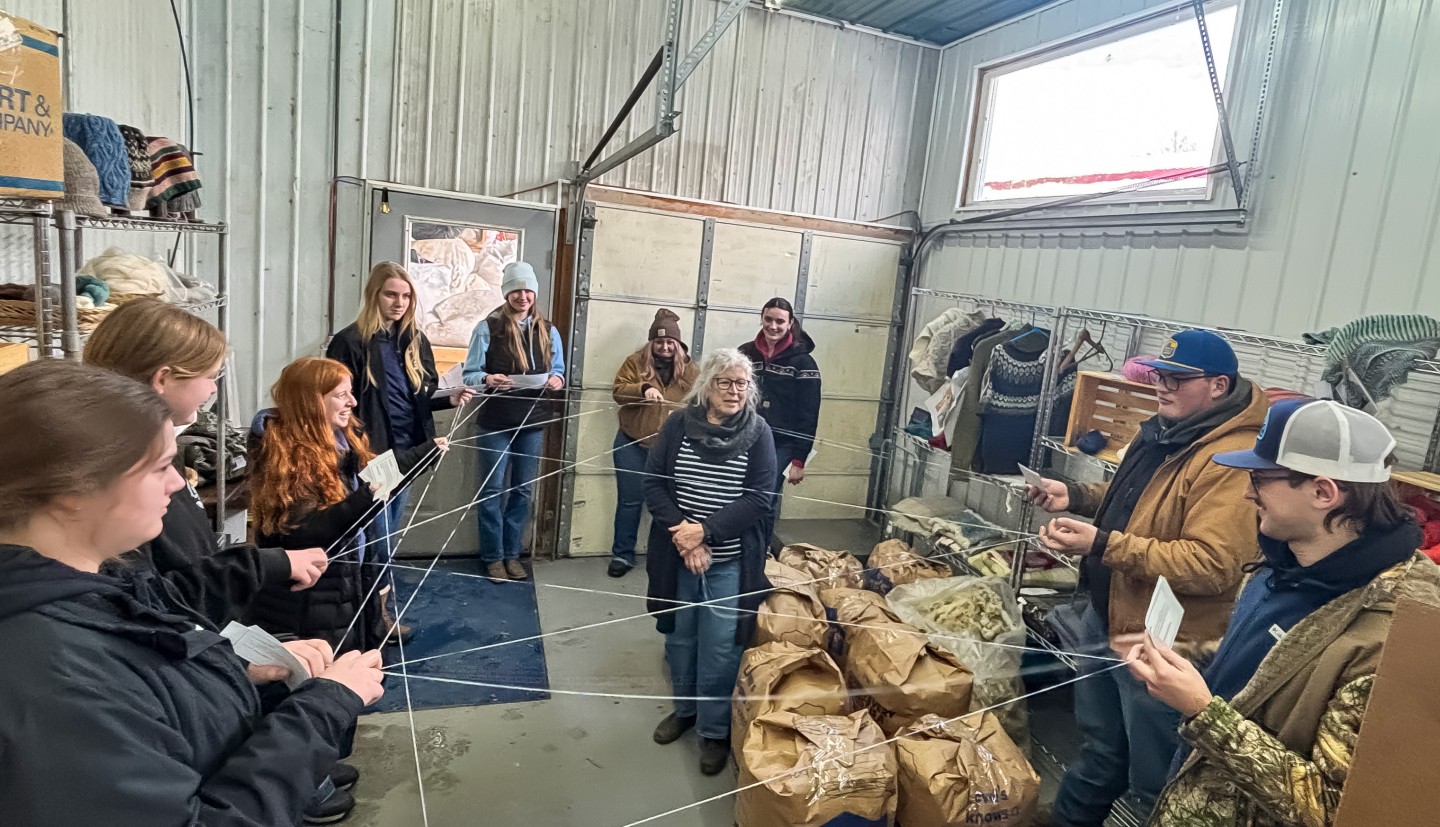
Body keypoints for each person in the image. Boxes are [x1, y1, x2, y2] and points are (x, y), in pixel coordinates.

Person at [0, 360, 385, 826]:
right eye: (162, 466)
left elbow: (149, 709)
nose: (177, 485)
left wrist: (232, 673)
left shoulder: (93, 588)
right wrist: (323, 708)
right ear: (75, 490)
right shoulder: (52, 674)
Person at [1131, 399, 1440, 827]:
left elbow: (1334, 808)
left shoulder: (1393, 637)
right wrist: (1189, 658)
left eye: (1260, 479)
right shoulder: (1283, 559)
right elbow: (1269, 665)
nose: (1246, 492)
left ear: (1323, 492)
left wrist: (1204, 711)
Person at [1027, 329, 1268, 825]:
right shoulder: (1162, 429)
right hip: (1109, 611)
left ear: (1219, 385)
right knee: (1099, 753)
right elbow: (1133, 496)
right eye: (1160, 375)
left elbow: (1213, 564)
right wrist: (1074, 494)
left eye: (1178, 379)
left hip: (1163, 645)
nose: (1163, 386)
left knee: (1152, 780)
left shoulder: (1230, 460)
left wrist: (1102, 544)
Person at [84, 298, 328, 627]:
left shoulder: (145, 447)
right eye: (210, 377)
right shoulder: (121, 471)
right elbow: (150, 604)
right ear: (163, 379)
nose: (213, 389)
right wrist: (261, 566)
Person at [249, 357, 444, 652]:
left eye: (350, 393)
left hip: (347, 584)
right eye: (341, 395)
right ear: (312, 402)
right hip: (314, 600)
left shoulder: (341, 441)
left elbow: (371, 477)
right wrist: (365, 501)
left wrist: (422, 454)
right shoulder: (290, 459)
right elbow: (305, 532)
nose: (352, 402)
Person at [644, 348, 776, 776]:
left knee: (720, 649)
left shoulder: (759, 433)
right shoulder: (679, 424)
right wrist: (687, 537)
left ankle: (715, 732)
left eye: (742, 384)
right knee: (680, 640)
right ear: (707, 386)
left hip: (730, 562)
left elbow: (759, 498)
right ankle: (685, 711)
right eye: (725, 382)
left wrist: (706, 532)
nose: (734, 391)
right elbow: (655, 485)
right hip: (679, 554)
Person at [326, 261, 475, 636]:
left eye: (406, 296)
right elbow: (335, 402)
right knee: (377, 541)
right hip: (371, 458)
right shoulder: (349, 342)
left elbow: (419, 396)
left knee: (386, 539)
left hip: (408, 454)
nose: (399, 302)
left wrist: (448, 397)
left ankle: (376, 613)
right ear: (374, 295)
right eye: (391, 294)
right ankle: (376, 620)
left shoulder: (415, 341)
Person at [462, 261, 565, 581]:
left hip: (532, 423)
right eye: (516, 290)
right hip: (495, 423)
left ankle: (512, 554)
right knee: (492, 492)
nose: (523, 296)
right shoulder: (487, 328)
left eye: (528, 289)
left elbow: (559, 371)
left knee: (522, 492)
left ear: (534, 292)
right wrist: (488, 378)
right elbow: (470, 375)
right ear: (507, 293)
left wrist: (556, 381)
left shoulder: (549, 331)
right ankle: (493, 558)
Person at [608, 308, 697, 578]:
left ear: (678, 345)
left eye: (670, 342)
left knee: (670, 505)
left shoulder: (691, 370)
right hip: (631, 443)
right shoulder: (635, 363)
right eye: (659, 341)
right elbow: (618, 391)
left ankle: (666, 555)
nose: (665, 346)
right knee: (629, 502)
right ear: (651, 343)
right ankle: (622, 555)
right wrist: (643, 389)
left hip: (670, 451)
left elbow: (701, 401)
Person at [738, 297, 821, 543]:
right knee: (738, 493)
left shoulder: (804, 362)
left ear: (790, 323)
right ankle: (737, 547)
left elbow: (809, 413)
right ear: (762, 319)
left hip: (781, 443)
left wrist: (799, 460)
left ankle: (759, 552)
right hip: (743, 438)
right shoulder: (744, 353)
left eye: (780, 321)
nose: (773, 326)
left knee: (765, 498)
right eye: (768, 319)